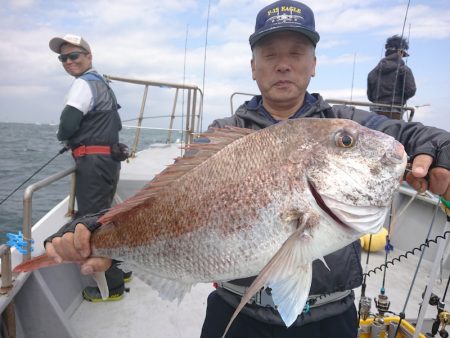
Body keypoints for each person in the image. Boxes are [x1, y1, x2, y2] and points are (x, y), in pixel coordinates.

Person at [44, 3, 450, 338]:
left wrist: (437, 151)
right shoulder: (224, 134)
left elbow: (412, 134)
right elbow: (161, 204)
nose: (283, 65)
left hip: (332, 316)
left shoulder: (342, 123)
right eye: (270, 55)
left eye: (296, 54)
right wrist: (96, 232)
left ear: (313, 64)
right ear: (253, 66)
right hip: (235, 312)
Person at [49, 34, 130, 302]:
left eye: (74, 56)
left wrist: (64, 136)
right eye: (63, 58)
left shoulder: (83, 85)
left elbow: (69, 123)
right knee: (105, 215)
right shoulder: (102, 84)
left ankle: (112, 284)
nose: (68, 61)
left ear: (88, 57)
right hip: (107, 163)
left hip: (93, 165)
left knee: (91, 221)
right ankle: (117, 265)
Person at [367, 34, 416, 119]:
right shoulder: (404, 70)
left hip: (375, 115)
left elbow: (370, 97)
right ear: (400, 52)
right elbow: (411, 91)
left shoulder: (372, 72)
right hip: (396, 114)